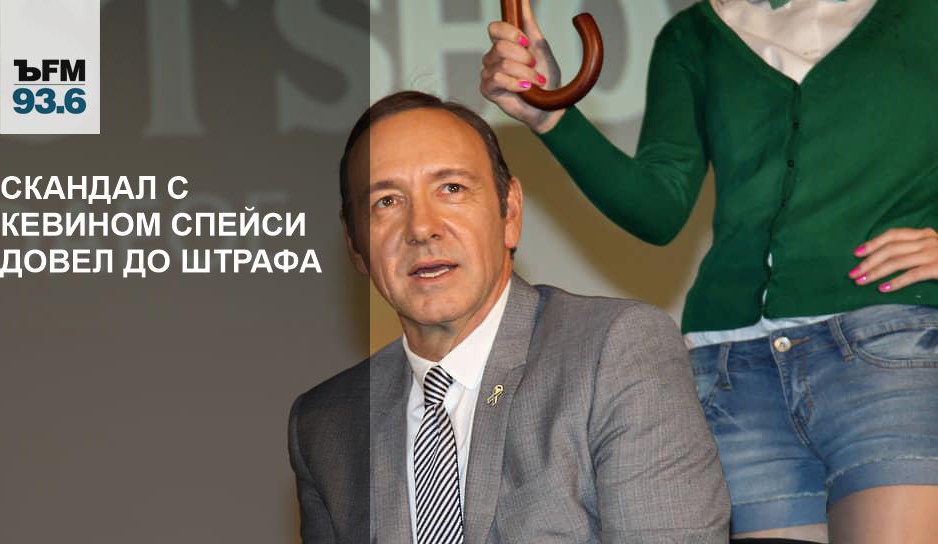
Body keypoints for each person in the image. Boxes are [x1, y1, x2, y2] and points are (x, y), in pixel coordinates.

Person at [480, 0, 938, 543]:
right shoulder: (692, 36)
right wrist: (551, 117)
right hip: (733, 368)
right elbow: (659, 209)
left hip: (888, 347)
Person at [287, 90, 729, 543]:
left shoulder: (615, 353)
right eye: (386, 201)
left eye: (452, 189)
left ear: (510, 212)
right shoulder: (325, 425)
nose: (421, 228)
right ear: (355, 245)